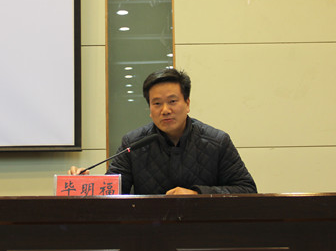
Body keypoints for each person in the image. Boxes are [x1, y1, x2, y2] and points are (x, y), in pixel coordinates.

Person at [69, 68, 257, 195]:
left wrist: (198, 193)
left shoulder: (217, 141)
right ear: (150, 109)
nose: (165, 110)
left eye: (172, 101)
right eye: (157, 103)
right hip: (150, 232)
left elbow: (247, 189)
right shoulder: (133, 143)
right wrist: (86, 184)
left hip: (202, 232)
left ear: (187, 103)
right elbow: (113, 191)